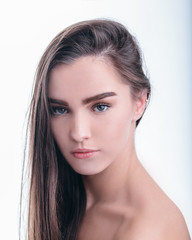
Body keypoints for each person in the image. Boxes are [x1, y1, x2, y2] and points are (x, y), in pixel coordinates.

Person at [22, 19, 190, 240]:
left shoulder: (146, 231)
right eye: (60, 110)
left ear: (139, 102)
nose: (79, 133)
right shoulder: (69, 200)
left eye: (100, 107)